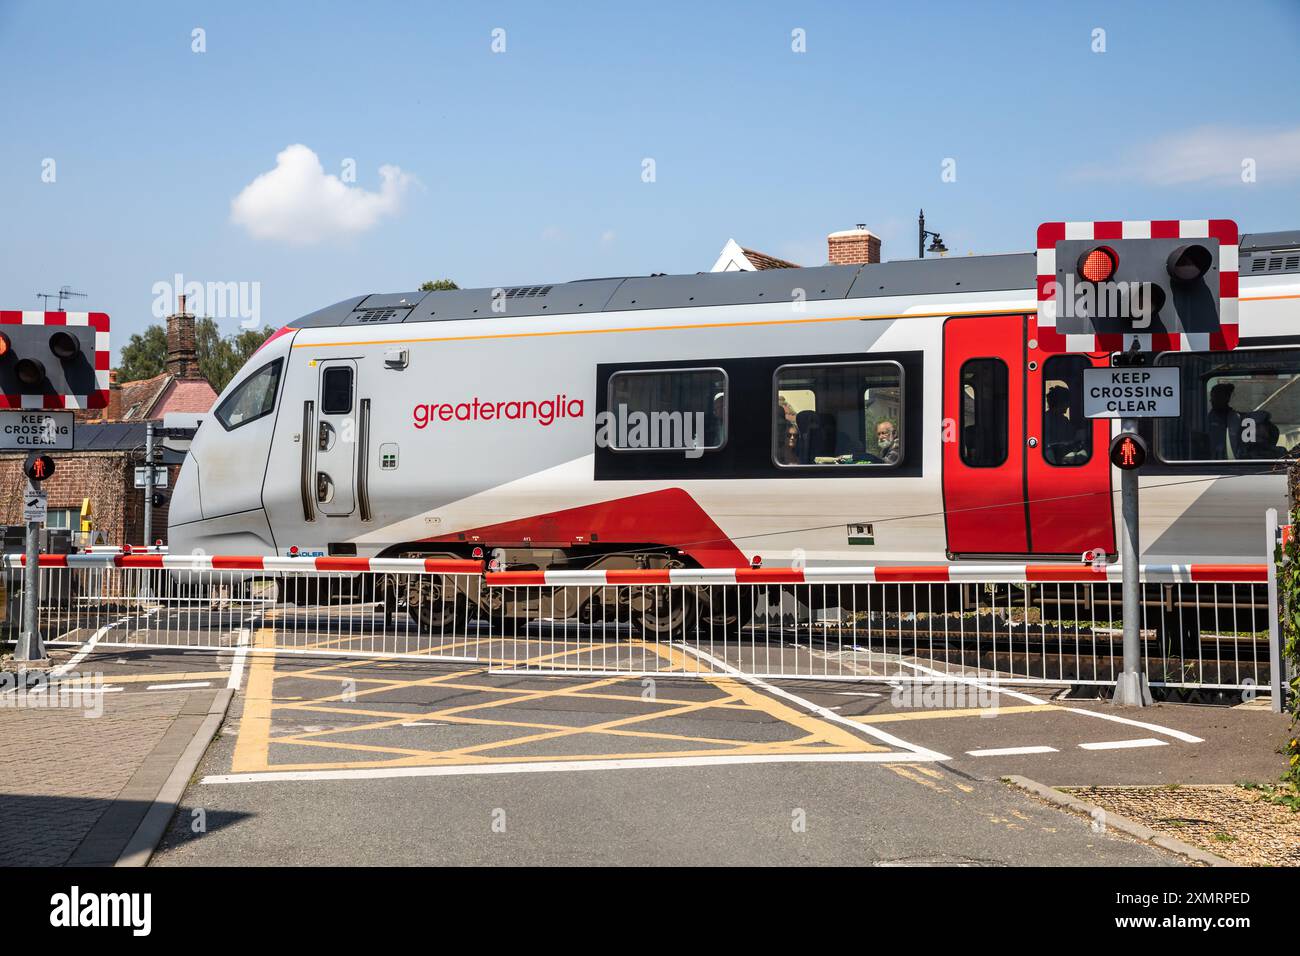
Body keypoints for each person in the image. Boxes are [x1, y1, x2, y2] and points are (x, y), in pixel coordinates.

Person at [1206, 382, 1243, 460]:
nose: (1211, 400)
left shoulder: (1236, 418)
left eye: (1214, 397)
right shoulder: (1209, 418)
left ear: (1226, 398)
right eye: (1212, 397)